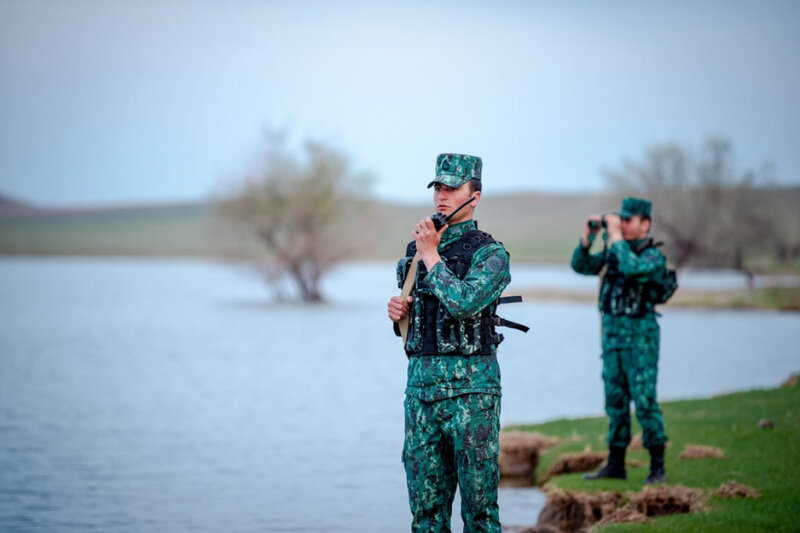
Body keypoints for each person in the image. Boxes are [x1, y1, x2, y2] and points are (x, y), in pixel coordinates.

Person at [387, 153, 511, 532]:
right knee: (425, 514)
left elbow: (464, 304)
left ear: (474, 196)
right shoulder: (412, 257)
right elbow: (420, 325)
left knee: (479, 513)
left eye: (452, 188)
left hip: (471, 396)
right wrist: (399, 313)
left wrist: (430, 253)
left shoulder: (490, 254)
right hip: (421, 395)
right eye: (438, 188)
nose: (442, 196)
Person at [570, 197, 669, 485]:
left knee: (645, 401)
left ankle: (657, 467)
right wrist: (587, 239)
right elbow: (581, 265)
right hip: (612, 340)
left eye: (628, 220)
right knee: (615, 402)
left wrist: (614, 238)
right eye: (620, 220)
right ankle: (616, 464)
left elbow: (632, 269)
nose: (622, 225)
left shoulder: (652, 257)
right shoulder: (615, 251)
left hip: (641, 341)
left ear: (645, 224)